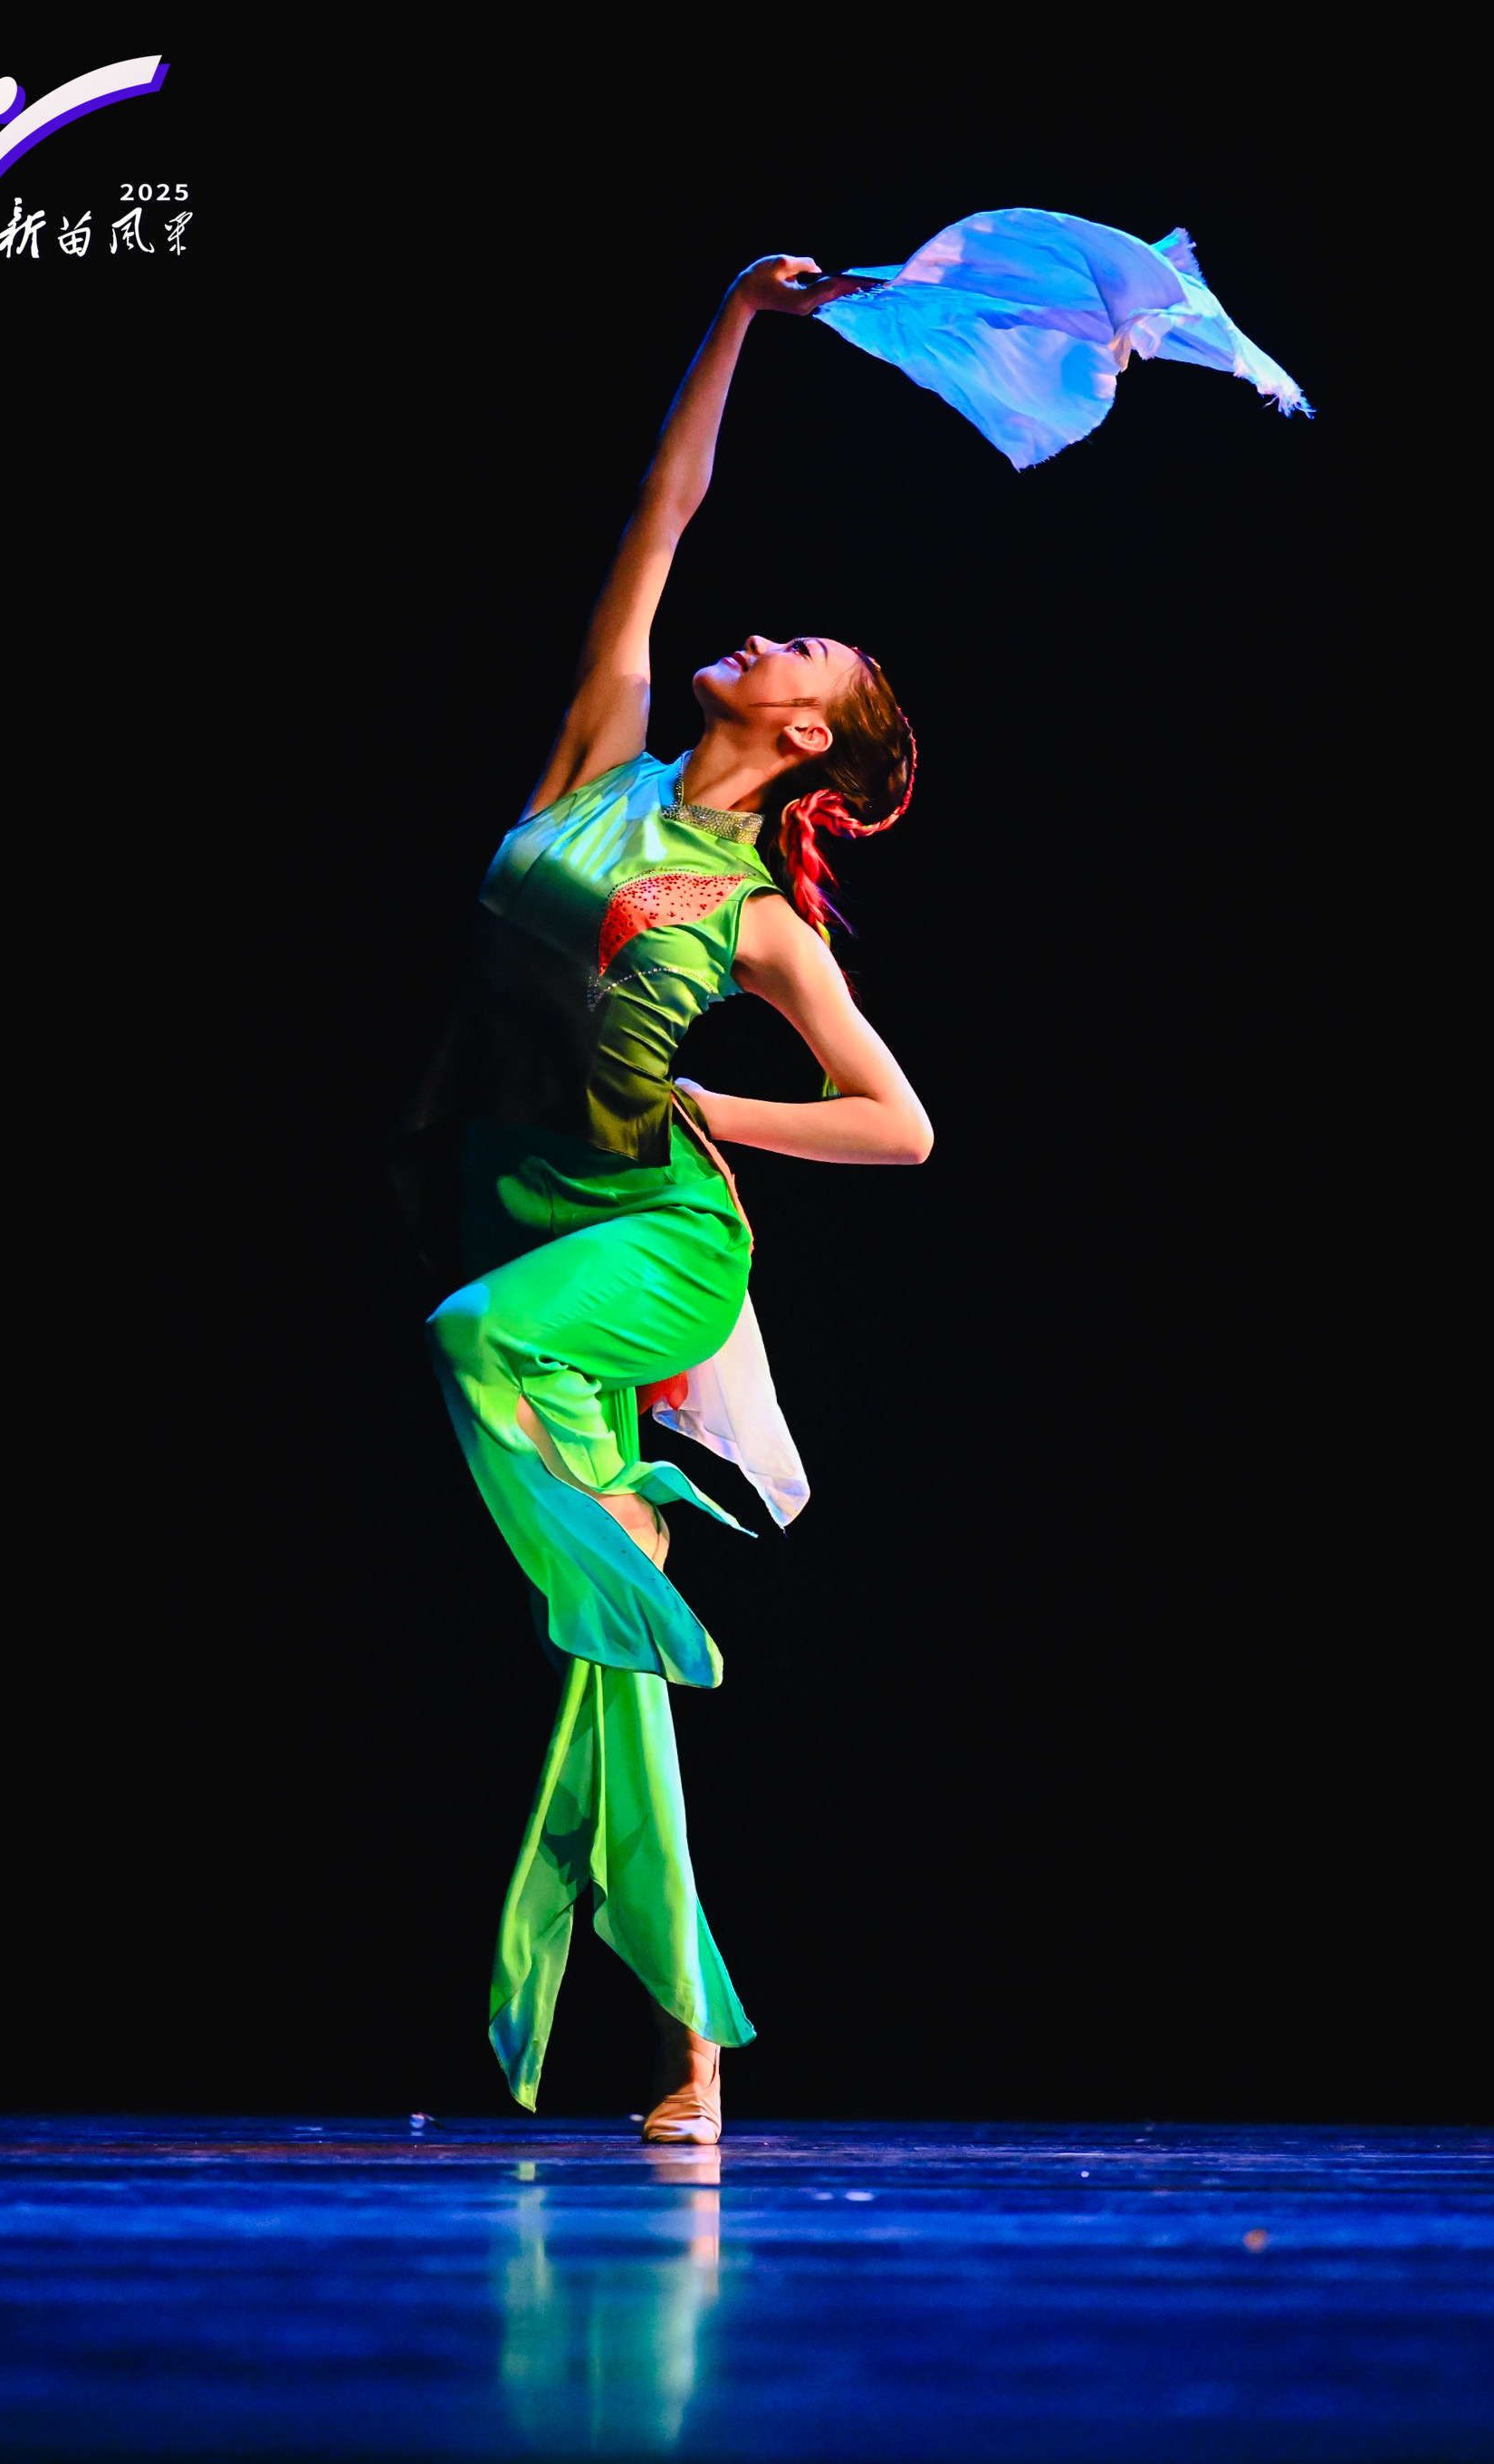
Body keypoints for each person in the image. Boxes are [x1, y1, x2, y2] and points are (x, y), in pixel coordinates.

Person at [423, 254, 933, 2143]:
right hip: (513, 1206)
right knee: (607, 1656)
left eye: (808, 654)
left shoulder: (766, 922)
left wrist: (720, 1101)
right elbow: (665, 505)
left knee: (476, 1346)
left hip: (652, 1245)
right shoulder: (598, 747)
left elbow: (901, 1127)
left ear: (808, 735)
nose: (768, 636)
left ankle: (622, 1546)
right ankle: (691, 2048)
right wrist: (732, 315)